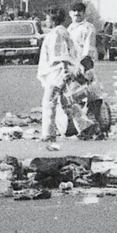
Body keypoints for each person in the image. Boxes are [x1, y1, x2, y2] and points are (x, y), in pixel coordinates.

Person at [37, 8, 79, 142]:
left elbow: (61, 55)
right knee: (66, 102)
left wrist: (65, 71)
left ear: (53, 19)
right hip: (60, 70)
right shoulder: (61, 31)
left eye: (47, 18)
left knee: (49, 101)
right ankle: (86, 126)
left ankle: (48, 133)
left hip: (57, 71)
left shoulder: (57, 33)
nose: (45, 21)